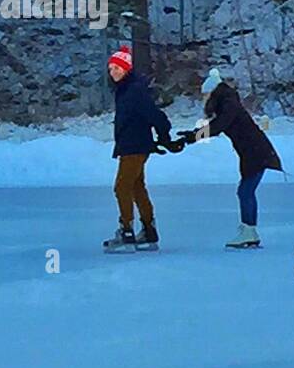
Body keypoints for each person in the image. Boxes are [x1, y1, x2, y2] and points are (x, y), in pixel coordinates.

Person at [177, 67, 283, 249]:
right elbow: (216, 124)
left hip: (256, 153)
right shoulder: (228, 102)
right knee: (245, 191)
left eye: (205, 96)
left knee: (245, 191)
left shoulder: (228, 104)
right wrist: (192, 135)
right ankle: (248, 230)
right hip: (253, 152)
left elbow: (219, 125)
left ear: (212, 93)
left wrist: (193, 136)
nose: (204, 100)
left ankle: (249, 231)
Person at [104, 44, 173, 252]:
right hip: (131, 144)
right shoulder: (126, 90)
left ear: (126, 69)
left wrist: (164, 134)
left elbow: (154, 114)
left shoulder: (133, 90)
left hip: (134, 145)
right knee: (136, 186)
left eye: (117, 68)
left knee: (122, 187)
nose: (113, 72)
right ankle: (149, 231)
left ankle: (126, 231)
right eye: (111, 69)